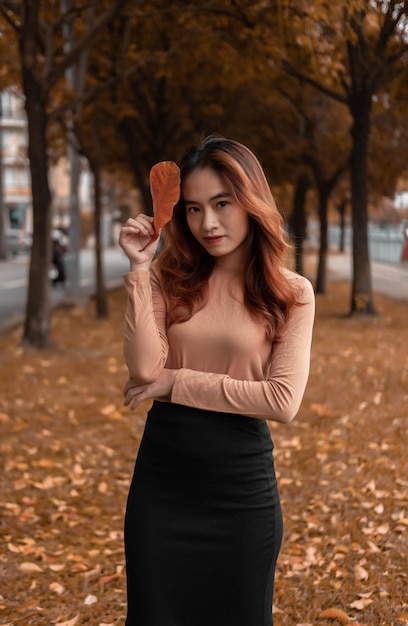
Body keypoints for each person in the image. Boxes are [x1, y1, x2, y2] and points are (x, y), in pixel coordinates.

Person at [119, 135, 315, 626]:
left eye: (222, 204)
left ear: (251, 202)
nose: (208, 223)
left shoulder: (290, 292)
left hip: (240, 492)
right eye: (193, 208)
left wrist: (175, 384)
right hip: (163, 483)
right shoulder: (167, 277)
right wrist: (140, 267)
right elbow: (144, 369)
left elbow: (281, 400)